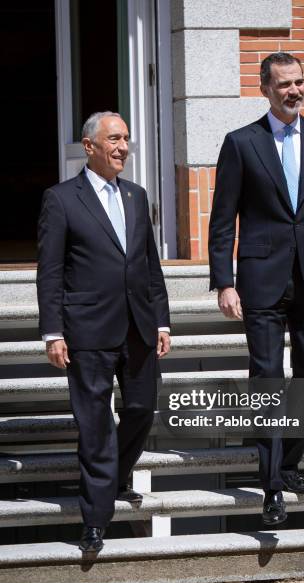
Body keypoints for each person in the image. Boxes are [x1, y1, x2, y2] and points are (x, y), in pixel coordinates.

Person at [209, 53, 304, 526]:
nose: (294, 91)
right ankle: (271, 482)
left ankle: (290, 463)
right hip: (261, 280)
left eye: (299, 82)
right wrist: (224, 282)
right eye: (284, 84)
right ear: (265, 89)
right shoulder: (241, 143)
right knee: (268, 377)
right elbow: (221, 220)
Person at [37, 111, 170, 552]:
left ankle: (113, 478)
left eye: (127, 139)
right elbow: (50, 271)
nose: (123, 147)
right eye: (114, 139)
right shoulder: (61, 199)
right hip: (87, 330)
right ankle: (95, 518)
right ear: (89, 146)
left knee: (140, 410)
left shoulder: (135, 194)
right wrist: (52, 332)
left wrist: (163, 320)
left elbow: (149, 264)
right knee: (94, 425)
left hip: (139, 327)